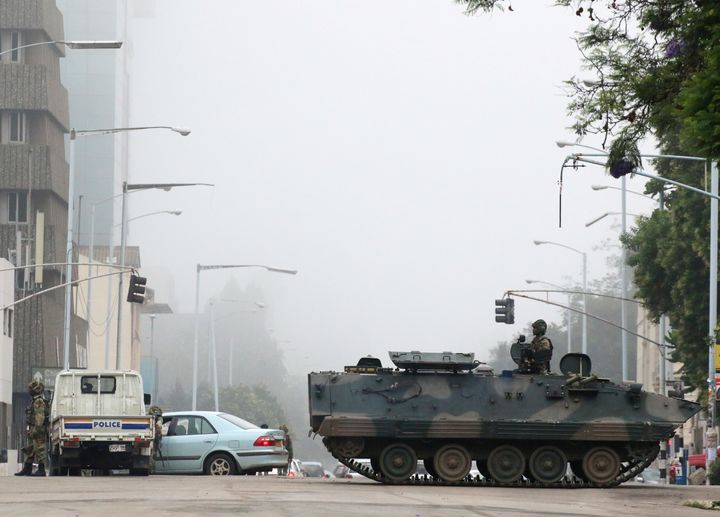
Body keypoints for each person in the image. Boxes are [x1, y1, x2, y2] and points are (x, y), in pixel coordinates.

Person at [15, 380, 48, 476]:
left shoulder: (38, 401)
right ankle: (27, 468)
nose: (29, 391)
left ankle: (41, 470)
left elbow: (39, 417)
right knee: (30, 449)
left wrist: (36, 430)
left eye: (31, 389)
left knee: (40, 449)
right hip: (33, 428)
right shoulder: (34, 400)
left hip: (38, 430)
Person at [148, 405, 164, 472]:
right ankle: (151, 469)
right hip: (154, 438)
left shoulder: (150, 418)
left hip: (149, 437)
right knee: (153, 454)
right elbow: (159, 426)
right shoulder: (159, 419)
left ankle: (151, 469)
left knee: (151, 454)